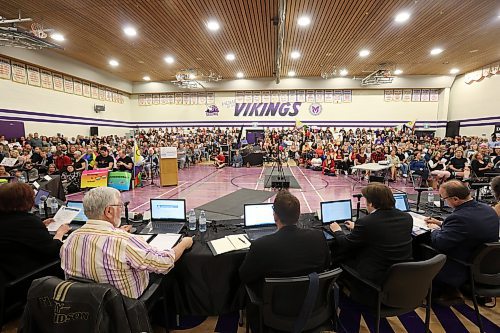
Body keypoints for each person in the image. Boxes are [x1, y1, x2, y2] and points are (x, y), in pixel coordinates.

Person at [60, 187, 193, 299]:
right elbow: (164, 262)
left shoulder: (70, 239)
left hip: (86, 305)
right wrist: (184, 243)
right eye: (120, 206)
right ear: (108, 211)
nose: (122, 210)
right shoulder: (123, 241)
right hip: (124, 306)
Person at [239, 191, 331, 329]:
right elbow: (326, 265)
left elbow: (245, 276)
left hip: (274, 314)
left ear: (275, 215)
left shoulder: (261, 245)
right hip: (313, 308)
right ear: (299, 215)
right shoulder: (318, 237)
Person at [329, 183, 413, 306]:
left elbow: (346, 244)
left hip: (377, 275)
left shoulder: (367, 222)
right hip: (400, 272)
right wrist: (356, 228)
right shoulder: (406, 217)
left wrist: (337, 231)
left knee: (339, 257)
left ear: (372, 204)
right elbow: (384, 231)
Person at [424, 180, 499, 302]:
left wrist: (434, 229)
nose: (443, 201)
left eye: (444, 198)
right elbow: (469, 228)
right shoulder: (488, 210)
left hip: (460, 266)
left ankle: (437, 290)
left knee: (423, 246)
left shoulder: (459, 217)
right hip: (485, 266)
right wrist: (441, 223)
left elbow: (439, 243)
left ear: (455, 199)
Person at [0, 182, 70, 281]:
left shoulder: (8, 219)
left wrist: (41, 225)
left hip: (9, 272)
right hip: (27, 276)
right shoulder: (28, 222)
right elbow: (53, 250)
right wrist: (60, 233)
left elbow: (17, 234)